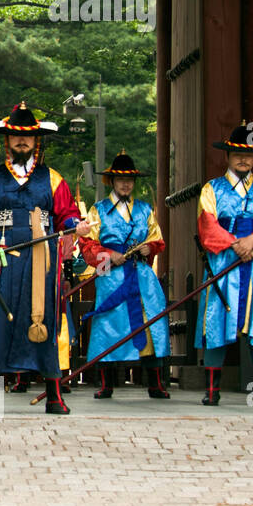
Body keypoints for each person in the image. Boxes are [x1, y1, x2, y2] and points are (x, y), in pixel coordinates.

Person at [0, 103, 91, 414]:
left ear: (37, 141)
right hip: (1, 261)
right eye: (16, 138)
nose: (23, 142)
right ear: (6, 141)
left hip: (41, 263)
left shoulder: (54, 179)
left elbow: (67, 216)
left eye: (29, 137)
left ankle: (55, 395)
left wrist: (78, 226)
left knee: (46, 320)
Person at [197, 122, 253, 406]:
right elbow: (207, 223)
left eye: (248, 154)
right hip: (224, 262)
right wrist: (236, 244)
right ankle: (212, 391)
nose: (243, 159)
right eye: (237, 153)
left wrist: (252, 239)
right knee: (217, 322)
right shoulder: (211, 189)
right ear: (226, 156)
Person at [77, 153, 170, 400]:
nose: (125, 184)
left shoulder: (145, 209)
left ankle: (155, 383)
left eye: (129, 179)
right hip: (112, 276)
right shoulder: (99, 210)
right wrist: (109, 255)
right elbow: (87, 246)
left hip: (141, 276)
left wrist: (150, 248)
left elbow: (157, 239)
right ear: (111, 181)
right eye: (120, 179)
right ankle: (106, 384)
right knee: (109, 325)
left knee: (150, 323)